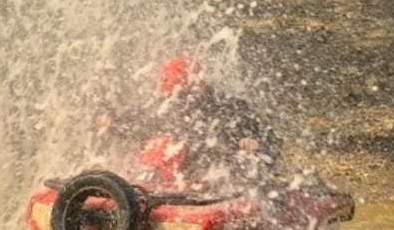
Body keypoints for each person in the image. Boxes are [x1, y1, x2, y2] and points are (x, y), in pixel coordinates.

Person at [96, 55, 281, 182]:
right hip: (161, 182)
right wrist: (111, 121)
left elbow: (272, 143)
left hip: (211, 184)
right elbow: (134, 120)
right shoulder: (163, 108)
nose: (179, 103)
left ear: (199, 87)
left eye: (184, 96)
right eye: (173, 97)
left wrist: (255, 145)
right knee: (160, 144)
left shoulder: (230, 110)